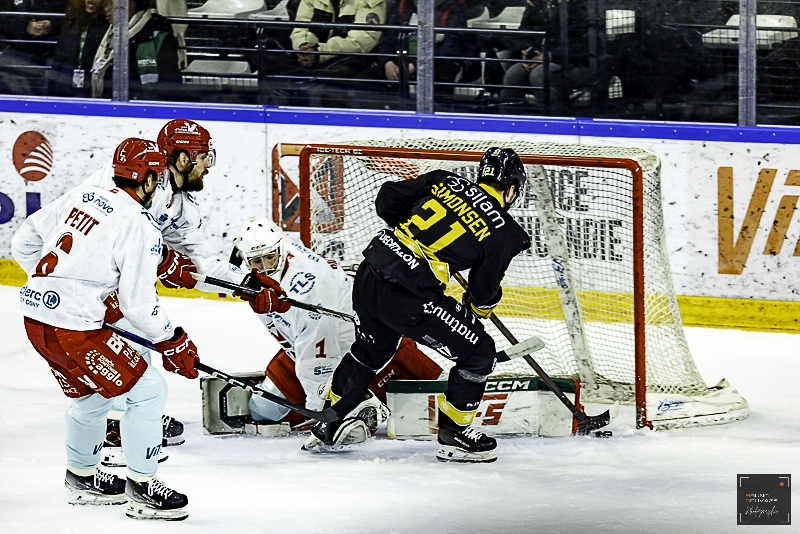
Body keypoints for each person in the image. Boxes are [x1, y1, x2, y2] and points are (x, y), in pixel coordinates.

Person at [303, 147, 530, 462]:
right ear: (511, 188)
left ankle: (329, 423)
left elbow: (387, 197)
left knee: (370, 351)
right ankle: (455, 435)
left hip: (369, 275)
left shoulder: (444, 181)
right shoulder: (507, 233)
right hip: (407, 298)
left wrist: (409, 242)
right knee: (478, 353)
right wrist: (478, 310)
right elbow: (484, 290)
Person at [11, 138, 198, 520]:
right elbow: (138, 305)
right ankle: (143, 488)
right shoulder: (138, 224)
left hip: (35, 319)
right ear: (145, 178)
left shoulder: (84, 194)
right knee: (148, 392)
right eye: (157, 177)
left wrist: (62, 288)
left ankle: (81, 479)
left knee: (91, 401)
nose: (160, 184)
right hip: (72, 330)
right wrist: (173, 341)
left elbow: (24, 242)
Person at [82, 119, 249, 458]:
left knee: (138, 338)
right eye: (204, 158)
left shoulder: (183, 205)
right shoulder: (133, 178)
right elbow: (108, 224)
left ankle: (126, 412)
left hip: (122, 278)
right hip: (89, 275)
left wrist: (247, 284)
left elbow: (201, 259)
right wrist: (163, 259)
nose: (208, 167)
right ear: (183, 158)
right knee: (133, 340)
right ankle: (116, 421)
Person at [230, 216, 443, 433]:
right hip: (312, 349)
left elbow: (318, 361)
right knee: (261, 410)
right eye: (257, 261)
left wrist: (320, 414)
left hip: (375, 350)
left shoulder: (308, 291)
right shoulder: (276, 258)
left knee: (434, 405)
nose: (265, 267)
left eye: (269, 258)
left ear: (280, 249)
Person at [499, 0, 593, 114]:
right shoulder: (536, 5)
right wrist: (526, 52)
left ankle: (553, 121)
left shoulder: (580, 7)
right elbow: (523, 35)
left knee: (540, 74)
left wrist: (550, 55)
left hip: (579, 65)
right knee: (514, 73)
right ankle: (509, 123)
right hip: (541, 61)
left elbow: (584, 46)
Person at [361, 0, 475, 89]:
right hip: (402, 59)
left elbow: (451, 47)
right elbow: (389, 36)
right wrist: (388, 62)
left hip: (438, 61)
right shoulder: (403, 4)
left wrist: (416, 64)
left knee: (438, 80)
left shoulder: (455, 7)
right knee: (365, 80)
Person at [89, 0, 181, 100]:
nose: (106, 9)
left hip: (145, 106)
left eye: (111, 4)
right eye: (105, 5)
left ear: (130, 5)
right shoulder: (108, 33)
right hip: (109, 103)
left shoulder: (158, 36)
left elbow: (170, 84)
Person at [0, 0, 65, 94]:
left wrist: (51, 25)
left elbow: (70, 16)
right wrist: (25, 26)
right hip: (16, 50)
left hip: (51, 50)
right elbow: (3, 19)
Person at [48, 0, 109, 97]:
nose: (91, 0)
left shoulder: (107, 25)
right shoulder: (72, 22)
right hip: (67, 80)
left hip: (93, 81)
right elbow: (59, 55)